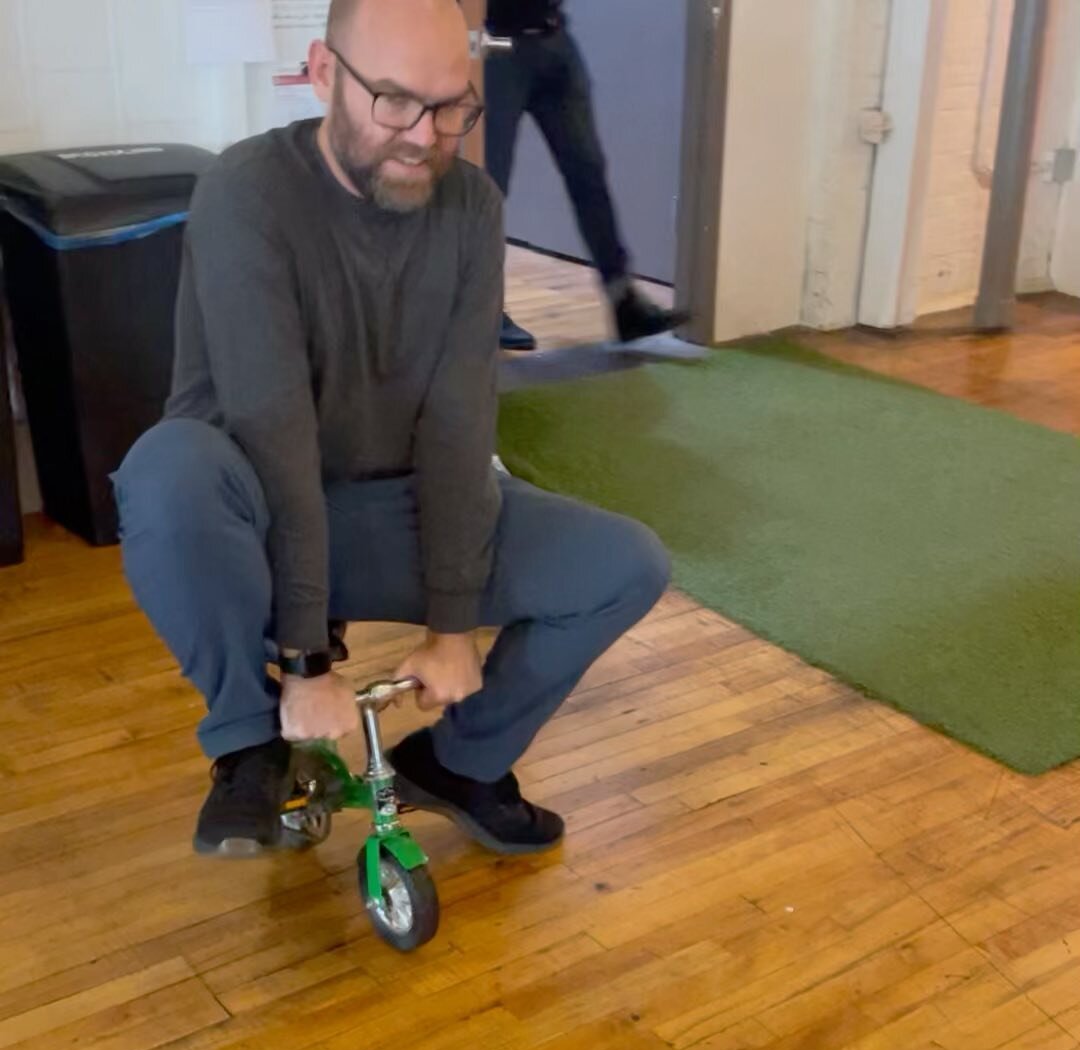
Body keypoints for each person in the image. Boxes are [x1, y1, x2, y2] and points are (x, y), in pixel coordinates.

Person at [112, 0, 669, 859]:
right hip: (254, 516)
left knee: (624, 565)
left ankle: (460, 764)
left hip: (391, 513)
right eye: (397, 102)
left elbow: (457, 423)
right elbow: (273, 427)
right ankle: (248, 744)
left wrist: (451, 628)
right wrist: (305, 662)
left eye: (452, 107)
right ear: (324, 73)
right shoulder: (244, 191)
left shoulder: (472, 207)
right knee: (165, 470)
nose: (426, 136)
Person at [484, 0, 687, 351]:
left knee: (588, 172)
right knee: (488, 188)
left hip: (555, 40)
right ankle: (483, 308)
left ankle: (624, 301)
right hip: (497, 46)